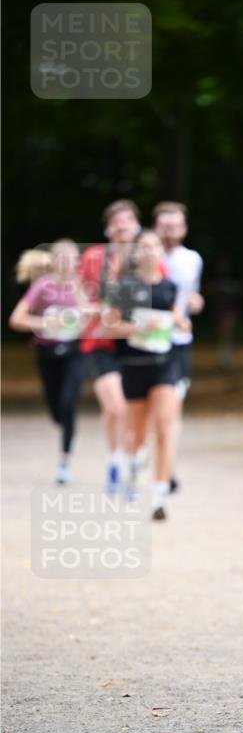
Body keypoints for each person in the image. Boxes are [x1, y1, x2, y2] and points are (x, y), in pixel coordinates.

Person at [103, 231, 189, 520]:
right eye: (144, 247)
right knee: (136, 434)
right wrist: (139, 328)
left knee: (164, 426)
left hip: (165, 364)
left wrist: (181, 322)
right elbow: (109, 327)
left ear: (160, 252)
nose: (150, 251)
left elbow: (177, 317)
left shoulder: (169, 287)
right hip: (133, 365)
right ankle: (135, 464)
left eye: (154, 246)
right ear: (137, 253)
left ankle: (160, 496)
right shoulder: (125, 287)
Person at [9, 240, 87, 484]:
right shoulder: (43, 286)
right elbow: (17, 319)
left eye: (72, 260)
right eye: (62, 260)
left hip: (76, 351)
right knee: (56, 409)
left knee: (68, 402)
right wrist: (45, 324)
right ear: (54, 262)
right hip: (48, 352)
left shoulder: (85, 285)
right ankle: (64, 425)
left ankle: (64, 462)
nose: (67, 265)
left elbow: (97, 316)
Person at [79, 200, 142, 493]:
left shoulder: (147, 256)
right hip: (101, 340)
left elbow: (166, 291)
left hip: (135, 344)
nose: (122, 225)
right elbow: (77, 295)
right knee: (115, 407)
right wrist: (91, 309)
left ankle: (130, 464)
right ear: (107, 227)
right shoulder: (93, 257)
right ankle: (115, 460)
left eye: (127, 219)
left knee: (130, 410)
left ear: (137, 225)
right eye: (116, 220)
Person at [153, 201, 204, 493]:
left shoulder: (192, 259)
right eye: (165, 225)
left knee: (173, 408)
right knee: (153, 411)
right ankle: (153, 463)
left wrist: (197, 303)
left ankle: (167, 468)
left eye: (175, 225)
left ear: (184, 228)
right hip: (148, 342)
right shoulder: (145, 256)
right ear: (156, 226)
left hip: (179, 343)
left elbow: (192, 297)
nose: (170, 230)